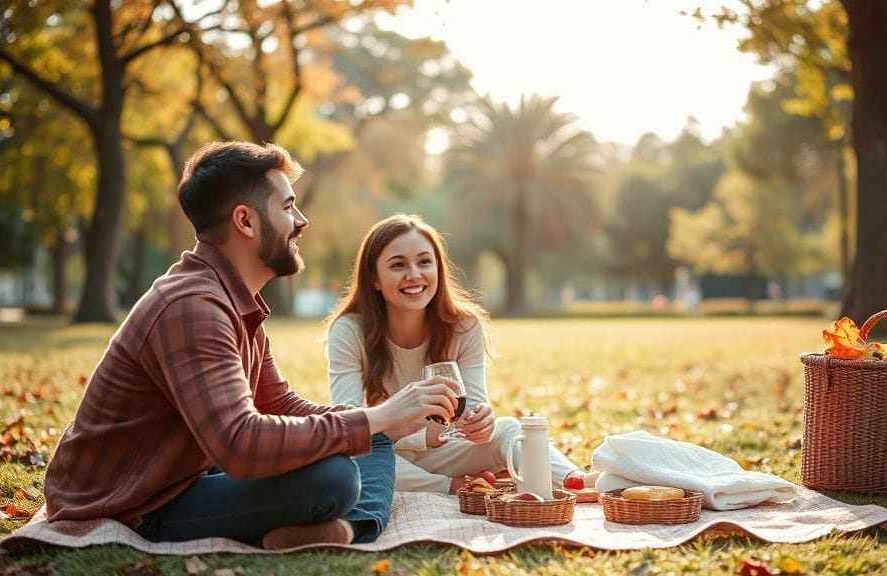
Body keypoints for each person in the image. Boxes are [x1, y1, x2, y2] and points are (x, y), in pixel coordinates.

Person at [43, 142, 460, 550]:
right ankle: (343, 523)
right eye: (287, 207)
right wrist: (376, 417)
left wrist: (379, 419)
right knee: (335, 478)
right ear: (245, 221)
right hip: (135, 500)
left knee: (372, 437)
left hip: (187, 471)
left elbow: (283, 405)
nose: (301, 220)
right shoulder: (192, 306)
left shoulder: (231, 300)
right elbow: (242, 444)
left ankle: (345, 532)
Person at [326, 214, 593, 494]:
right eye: (398, 265)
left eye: (425, 262)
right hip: (385, 455)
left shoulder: (464, 326)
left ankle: (576, 482)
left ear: (438, 269)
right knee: (352, 457)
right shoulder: (349, 331)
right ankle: (450, 487)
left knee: (508, 429)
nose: (415, 274)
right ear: (374, 279)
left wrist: (481, 423)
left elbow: (475, 412)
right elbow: (348, 426)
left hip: (447, 451)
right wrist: (417, 436)